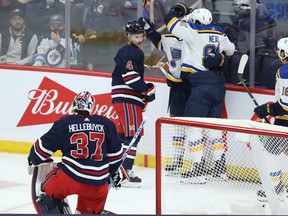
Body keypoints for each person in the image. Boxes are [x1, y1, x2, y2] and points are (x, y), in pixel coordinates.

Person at [163, 4, 235, 184]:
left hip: (201, 85)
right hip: (218, 84)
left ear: (195, 21)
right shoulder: (220, 32)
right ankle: (220, 168)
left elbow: (169, 22)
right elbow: (231, 50)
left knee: (193, 127)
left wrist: (178, 9)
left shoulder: (192, 31)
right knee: (213, 128)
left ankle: (198, 169)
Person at [27, 91, 124, 214]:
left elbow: (41, 149)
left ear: (74, 105)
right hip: (97, 185)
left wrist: (32, 159)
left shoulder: (66, 122)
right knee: (89, 210)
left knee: (44, 189)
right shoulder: (106, 123)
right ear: (91, 106)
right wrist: (112, 172)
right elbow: (116, 156)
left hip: (69, 178)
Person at [111, 20, 156, 187]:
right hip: (126, 98)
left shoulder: (133, 50)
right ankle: (125, 173)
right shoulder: (129, 52)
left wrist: (144, 94)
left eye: (141, 35)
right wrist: (147, 90)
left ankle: (117, 170)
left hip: (127, 98)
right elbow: (130, 78)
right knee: (132, 136)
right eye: (136, 36)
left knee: (124, 136)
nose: (140, 39)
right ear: (128, 37)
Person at [254, 37, 288, 202]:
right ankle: (277, 187)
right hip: (282, 120)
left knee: (269, 151)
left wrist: (267, 109)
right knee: (269, 149)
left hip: (284, 122)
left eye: (279, 50)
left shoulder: (284, 71)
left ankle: (276, 188)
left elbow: (286, 106)